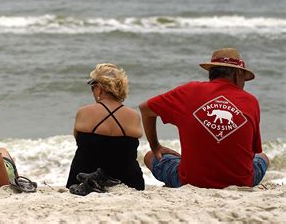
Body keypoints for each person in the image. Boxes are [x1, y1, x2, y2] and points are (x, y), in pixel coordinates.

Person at [140, 48, 269, 189]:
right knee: (262, 157)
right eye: (244, 76)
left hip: (190, 182)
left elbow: (145, 109)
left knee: (150, 156)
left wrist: (155, 146)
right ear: (238, 74)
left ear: (211, 72)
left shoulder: (189, 91)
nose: (244, 82)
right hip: (241, 183)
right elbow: (253, 151)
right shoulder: (251, 101)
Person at [66, 63, 145, 191]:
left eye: (92, 86)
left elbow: (79, 142)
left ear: (99, 88)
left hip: (82, 179)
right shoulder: (134, 116)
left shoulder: (84, 112)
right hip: (129, 181)